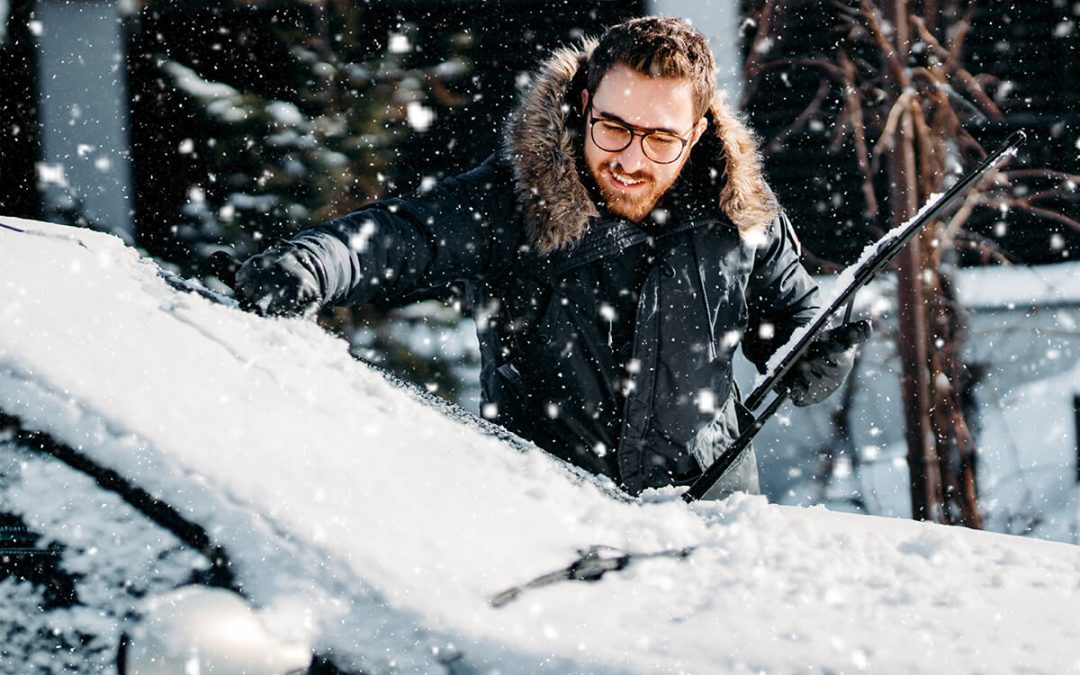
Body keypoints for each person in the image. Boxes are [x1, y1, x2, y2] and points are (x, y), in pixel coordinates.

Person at [234, 16, 869, 499]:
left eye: (661, 139)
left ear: (696, 134)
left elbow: (796, 320)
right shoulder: (518, 198)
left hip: (710, 522)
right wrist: (311, 264)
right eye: (614, 127)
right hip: (549, 519)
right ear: (585, 106)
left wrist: (817, 355)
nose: (631, 159)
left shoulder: (741, 216)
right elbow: (403, 234)